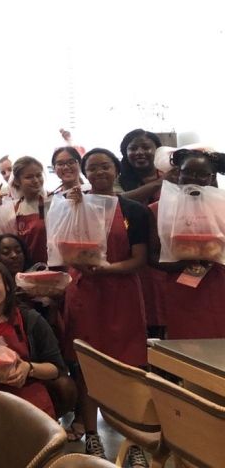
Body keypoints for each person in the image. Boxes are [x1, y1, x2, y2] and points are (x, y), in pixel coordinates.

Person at [63, 148, 149, 458]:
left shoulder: (133, 211)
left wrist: (108, 269)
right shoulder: (73, 205)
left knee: (129, 369)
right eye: (93, 168)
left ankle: (133, 440)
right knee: (85, 368)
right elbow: (61, 247)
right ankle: (91, 435)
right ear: (84, 173)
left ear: (115, 170)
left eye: (105, 167)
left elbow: (140, 259)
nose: (99, 172)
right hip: (85, 294)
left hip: (121, 295)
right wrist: (66, 207)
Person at [0, 261, 67, 420]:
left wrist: (28, 368)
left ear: (7, 286)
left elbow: (57, 368)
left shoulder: (31, 320)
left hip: (25, 396)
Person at [149, 148, 225, 340]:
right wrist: (187, 263)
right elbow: (151, 256)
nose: (194, 178)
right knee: (186, 343)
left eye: (202, 174)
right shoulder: (159, 209)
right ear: (178, 173)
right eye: (188, 172)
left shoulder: (221, 206)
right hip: (179, 285)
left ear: (211, 177)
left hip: (218, 283)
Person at [117, 129, 167, 338]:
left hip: (164, 260)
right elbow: (116, 201)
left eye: (146, 147)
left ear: (157, 151)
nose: (140, 152)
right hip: (129, 259)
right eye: (133, 148)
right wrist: (157, 184)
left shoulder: (174, 178)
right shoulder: (117, 179)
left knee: (164, 320)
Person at [7, 156, 49, 264]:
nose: (36, 180)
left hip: (51, 269)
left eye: (38, 175)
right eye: (29, 177)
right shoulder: (12, 208)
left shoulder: (52, 204)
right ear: (17, 181)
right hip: (22, 271)